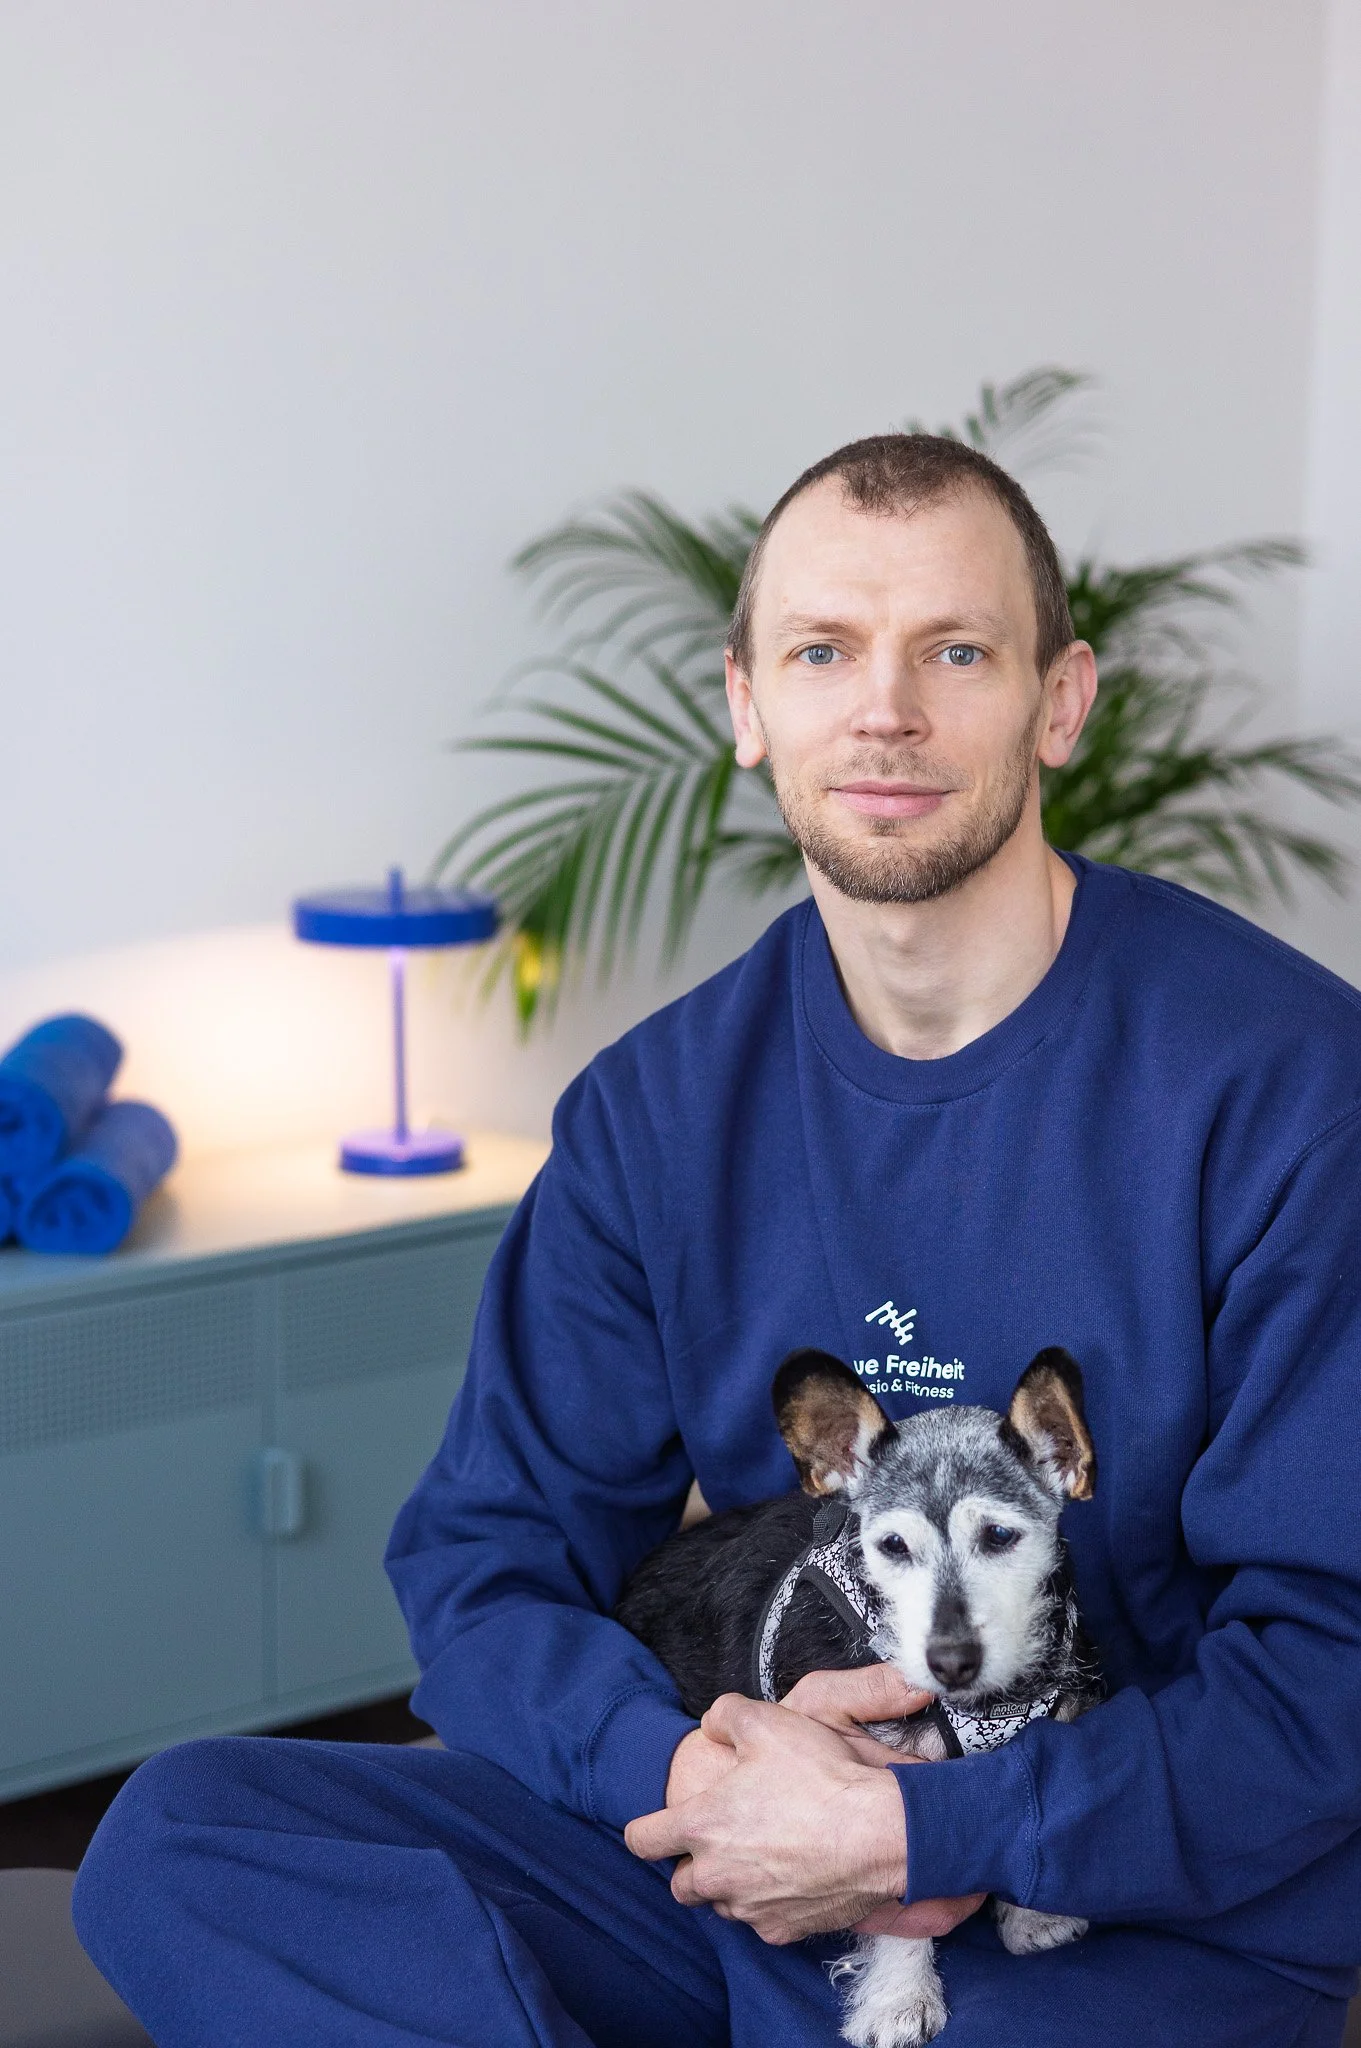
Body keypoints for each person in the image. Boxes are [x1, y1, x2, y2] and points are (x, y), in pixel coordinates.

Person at [73, 433, 1361, 2048]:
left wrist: (916, 1834)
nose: (883, 707)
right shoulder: (657, 1112)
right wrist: (704, 1778)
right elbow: (484, 1567)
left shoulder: (1291, 1090)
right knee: (182, 1840)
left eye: (953, 650)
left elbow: (1333, 1673)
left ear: (1059, 701)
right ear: (748, 704)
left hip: (1118, 1919)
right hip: (727, 1859)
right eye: (825, 651)